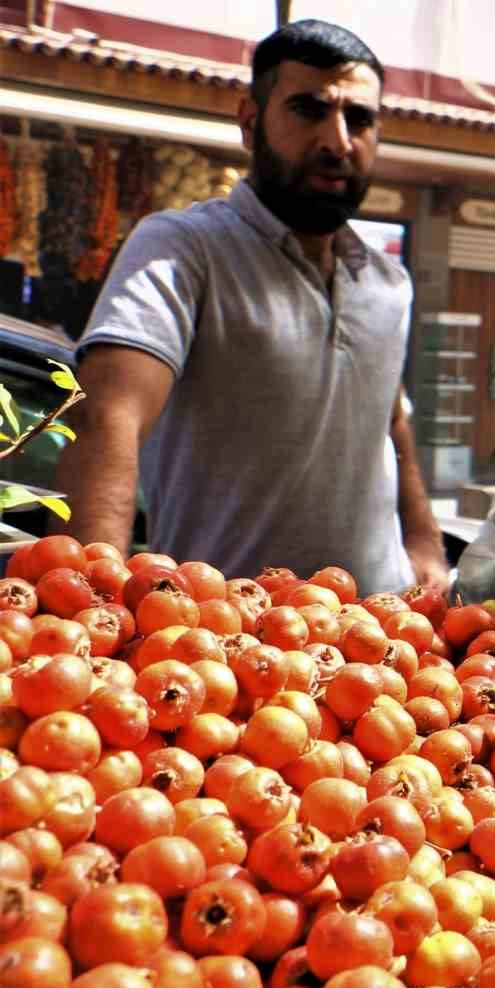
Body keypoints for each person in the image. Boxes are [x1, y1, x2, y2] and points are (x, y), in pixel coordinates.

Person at [52, 20, 447, 595]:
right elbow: (108, 413)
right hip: (226, 649)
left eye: (359, 118)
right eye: (309, 110)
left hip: (382, 645)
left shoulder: (389, 284)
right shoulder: (185, 249)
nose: (337, 140)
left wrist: (426, 542)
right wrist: (96, 606)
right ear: (249, 121)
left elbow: (389, 422)